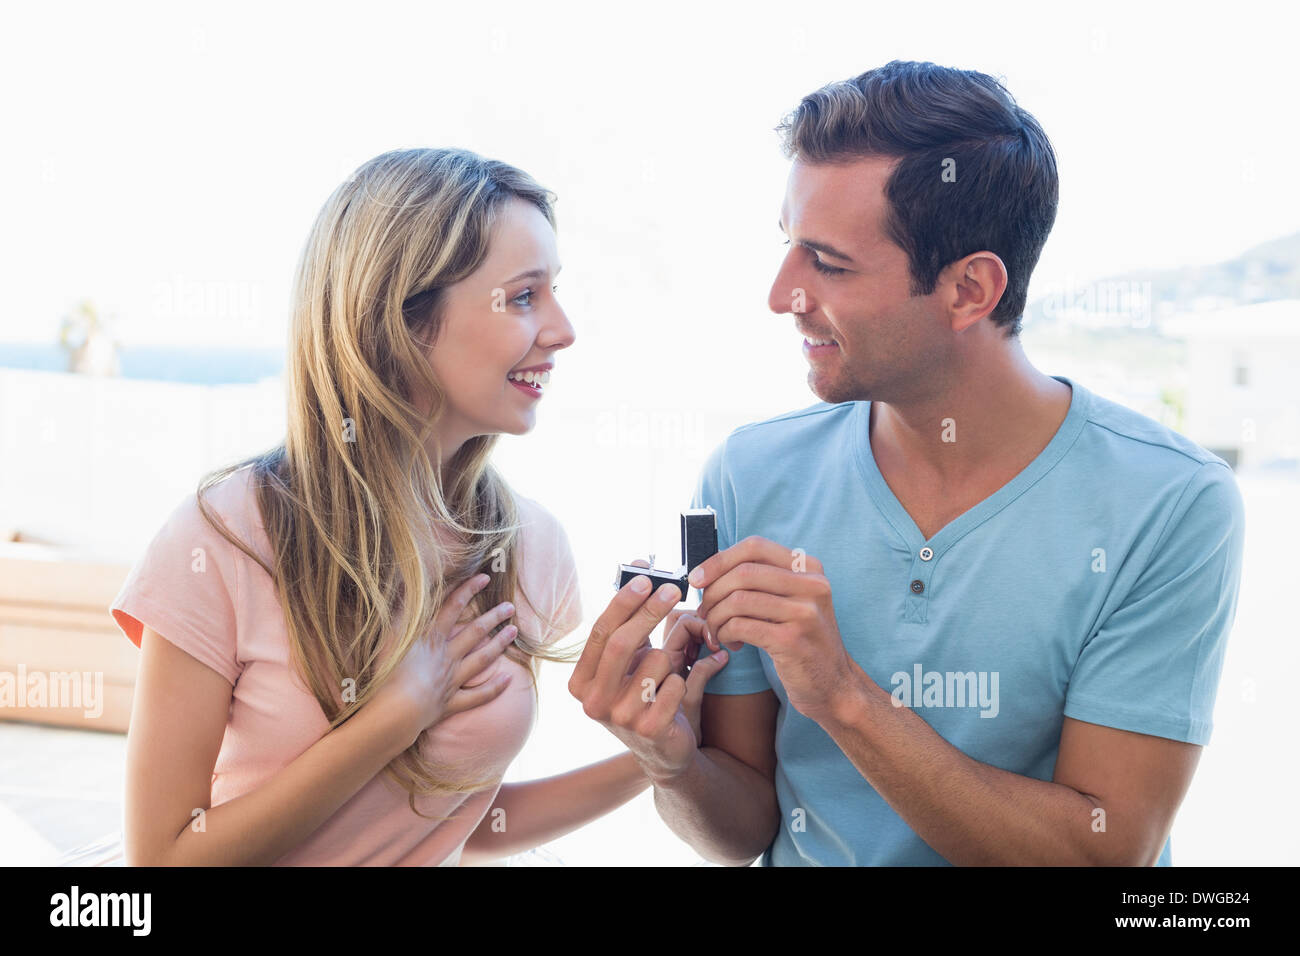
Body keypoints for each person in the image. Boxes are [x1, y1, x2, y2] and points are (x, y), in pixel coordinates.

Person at [570, 60, 1246, 866]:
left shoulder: (1169, 503)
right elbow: (741, 829)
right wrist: (669, 762)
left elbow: (1102, 853)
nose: (782, 294)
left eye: (829, 263)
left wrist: (844, 697)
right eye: (789, 247)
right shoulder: (751, 474)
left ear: (970, 290)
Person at [111, 147, 724, 866]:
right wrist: (392, 719)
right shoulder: (225, 537)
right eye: (524, 296)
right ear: (402, 317)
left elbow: (458, 820)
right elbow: (160, 860)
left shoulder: (529, 547)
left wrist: (660, 751)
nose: (561, 330)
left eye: (554, 292)